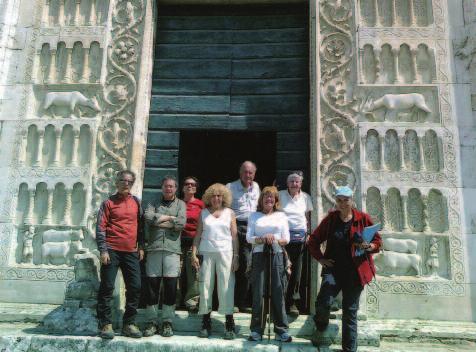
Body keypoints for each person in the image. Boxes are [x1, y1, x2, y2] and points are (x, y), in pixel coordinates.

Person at [308, 186, 382, 352]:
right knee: (324, 301)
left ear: (351, 200)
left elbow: (378, 242)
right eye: (339, 200)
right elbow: (313, 240)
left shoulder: (363, 218)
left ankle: (349, 349)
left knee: (350, 311)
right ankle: (321, 324)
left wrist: (369, 245)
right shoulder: (331, 219)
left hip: (355, 272)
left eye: (345, 200)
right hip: (333, 270)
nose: (342, 204)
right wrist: (321, 258)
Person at [96, 170, 144, 339]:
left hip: (131, 251)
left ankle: (129, 324)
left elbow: (141, 226)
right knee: (107, 287)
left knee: (135, 287)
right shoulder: (108, 203)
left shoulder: (136, 202)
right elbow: (101, 227)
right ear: (116, 182)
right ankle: (105, 324)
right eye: (123, 180)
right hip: (112, 250)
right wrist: (103, 249)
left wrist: (142, 246)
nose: (126, 183)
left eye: (130, 181)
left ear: (133, 184)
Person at [191, 183, 239, 339]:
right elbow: (198, 235)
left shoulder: (230, 213)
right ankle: (206, 322)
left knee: (226, 286)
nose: (216, 198)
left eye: (219, 195)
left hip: (226, 253)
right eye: (213, 195)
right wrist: (193, 254)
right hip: (206, 252)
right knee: (205, 286)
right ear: (208, 198)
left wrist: (236, 256)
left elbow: (234, 237)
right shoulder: (203, 213)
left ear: (223, 197)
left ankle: (229, 323)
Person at [246, 186, 292, 342]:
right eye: (266, 196)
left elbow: (287, 239)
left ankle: (281, 330)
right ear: (261, 200)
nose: (269, 199)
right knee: (258, 293)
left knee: (278, 292)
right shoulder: (254, 216)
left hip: (277, 255)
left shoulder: (281, 216)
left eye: (272, 197)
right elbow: (248, 237)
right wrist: (262, 238)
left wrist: (274, 238)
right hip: (259, 255)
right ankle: (256, 330)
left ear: (275, 201)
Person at [143, 176, 186, 337]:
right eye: (166, 186)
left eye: (171, 187)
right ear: (162, 188)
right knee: (152, 286)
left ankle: (167, 321)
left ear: (176, 189)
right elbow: (147, 217)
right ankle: (151, 321)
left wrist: (158, 220)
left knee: (170, 286)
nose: (168, 189)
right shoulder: (153, 202)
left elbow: (181, 224)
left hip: (172, 250)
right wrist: (170, 219)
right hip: (154, 248)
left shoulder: (181, 204)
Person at [226, 161, 260, 312]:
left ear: (254, 174)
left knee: (248, 265)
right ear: (240, 173)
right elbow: (224, 210)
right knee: (233, 265)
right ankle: (231, 302)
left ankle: (242, 302)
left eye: (251, 172)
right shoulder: (230, 187)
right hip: (235, 228)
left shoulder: (257, 187)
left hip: (252, 228)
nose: (248, 175)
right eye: (245, 172)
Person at [279, 171, 313, 316]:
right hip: (282, 239)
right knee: (281, 270)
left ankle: (292, 302)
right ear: (287, 183)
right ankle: (279, 302)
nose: (294, 184)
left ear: (300, 184)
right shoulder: (280, 195)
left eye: (297, 182)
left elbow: (308, 217)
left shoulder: (305, 197)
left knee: (296, 273)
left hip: (300, 240)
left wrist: (309, 233)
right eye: (291, 181)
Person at [180, 176, 205, 312]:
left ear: (196, 188)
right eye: (187, 184)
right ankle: (174, 301)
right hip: (176, 242)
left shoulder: (201, 204)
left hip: (194, 243)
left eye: (193, 184)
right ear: (183, 187)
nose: (190, 186)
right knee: (175, 273)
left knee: (193, 273)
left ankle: (192, 303)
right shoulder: (177, 203)